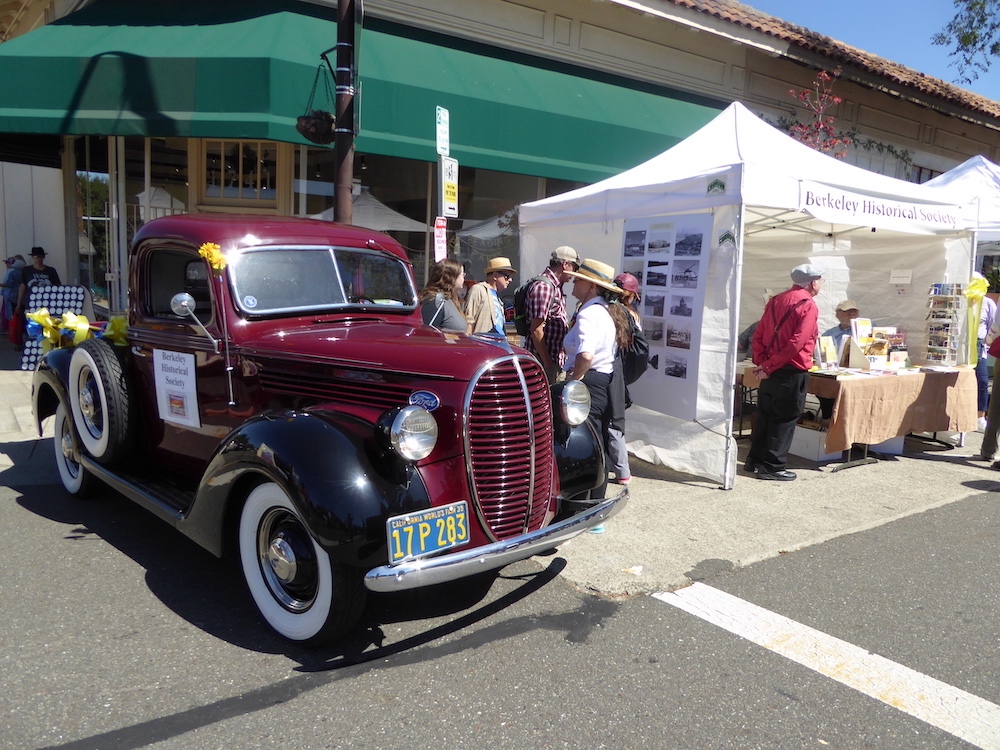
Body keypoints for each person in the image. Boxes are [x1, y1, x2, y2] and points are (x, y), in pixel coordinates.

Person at [562, 259, 631, 533]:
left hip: (589, 382)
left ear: (590, 286)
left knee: (584, 445)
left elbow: (586, 355)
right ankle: (595, 510)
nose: (573, 284)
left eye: (577, 280)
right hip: (601, 382)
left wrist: (574, 379)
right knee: (598, 443)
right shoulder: (603, 311)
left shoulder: (589, 314)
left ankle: (585, 510)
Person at [745, 263, 824, 481]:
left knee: (766, 415)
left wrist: (763, 364)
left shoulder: (776, 300)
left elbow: (759, 335)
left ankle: (755, 460)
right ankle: (773, 466)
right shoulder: (808, 305)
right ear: (813, 282)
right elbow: (796, 343)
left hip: (772, 368)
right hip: (790, 369)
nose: (821, 284)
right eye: (821, 280)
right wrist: (768, 365)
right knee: (784, 418)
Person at [525, 245, 580, 383]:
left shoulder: (555, 287)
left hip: (549, 361)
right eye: (575, 267)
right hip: (541, 363)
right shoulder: (544, 287)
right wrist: (548, 364)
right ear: (565, 264)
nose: (575, 273)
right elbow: (536, 330)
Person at [607, 272, 642, 486]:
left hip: (605, 369)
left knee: (609, 420)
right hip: (619, 371)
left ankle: (620, 469)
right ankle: (621, 471)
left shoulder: (605, 310)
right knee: (615, 419)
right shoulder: (632, 315)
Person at [817, 299, 860, 419]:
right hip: (834, 373)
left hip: (856, 373)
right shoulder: (829, 333)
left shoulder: (865, 329)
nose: (851, 314)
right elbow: (820, 353)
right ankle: (828, 419)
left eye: (854, 311)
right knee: (822, 387)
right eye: (847, 311)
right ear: (837, 315)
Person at [465, 256, 515, 336]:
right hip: (483, 344)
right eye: (507, 276)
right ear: (495, 275)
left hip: (499, 344)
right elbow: (469, 319)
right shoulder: (479, 290)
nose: (510, 280)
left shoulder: (498, 299)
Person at [973, 274, 996, 432]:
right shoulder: (962, 301)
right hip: (959, 345)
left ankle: (980, 416)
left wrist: (986, 343)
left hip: (978, 344)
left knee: (981, 381)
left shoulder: (987, 303)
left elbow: (993, 323)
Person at [419, 259, 467, 332]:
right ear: (452, 277)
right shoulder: (435, 300)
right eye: (462, 274)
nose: (464, 278)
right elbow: (427, 332)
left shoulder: (451, 299)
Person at [15, 246, 61, 313]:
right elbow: (22, 287)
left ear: (43, 257)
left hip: (48, 303)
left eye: (40, 257)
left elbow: (57, 287)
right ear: (32, 257)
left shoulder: (51, 271)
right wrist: (18, 304)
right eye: (36, 257)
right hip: (31, 303)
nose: (38, 259)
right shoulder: (26, 270)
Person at [1, 255, 25, 334]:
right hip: (23, 296)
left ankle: (14, 330)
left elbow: (9, 284)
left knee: (12, 314)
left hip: (12, 295)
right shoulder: (25, 273)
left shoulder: (12, 273)